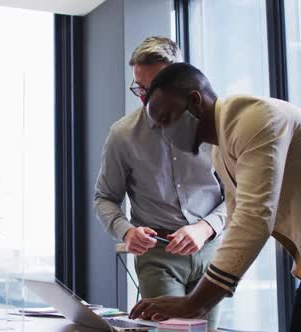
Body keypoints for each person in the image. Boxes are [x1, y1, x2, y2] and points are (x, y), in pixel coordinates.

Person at [129, 63, 301, 331]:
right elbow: (237, 218)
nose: (165, 133)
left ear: (194, 101)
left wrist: (196, 302)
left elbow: (254, 218)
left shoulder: (255, 118)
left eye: (166, 120)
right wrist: (197, 299)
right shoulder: (221, 150)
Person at [93, 37, 225, 328]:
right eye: (138, 87)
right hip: (159, 257)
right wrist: (126, 232)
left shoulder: (213, 126)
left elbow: (238, 194)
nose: (143, 97)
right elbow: (104, 196)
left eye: (150, 88)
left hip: (212, 249)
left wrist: (205, 228)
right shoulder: (123, 134)